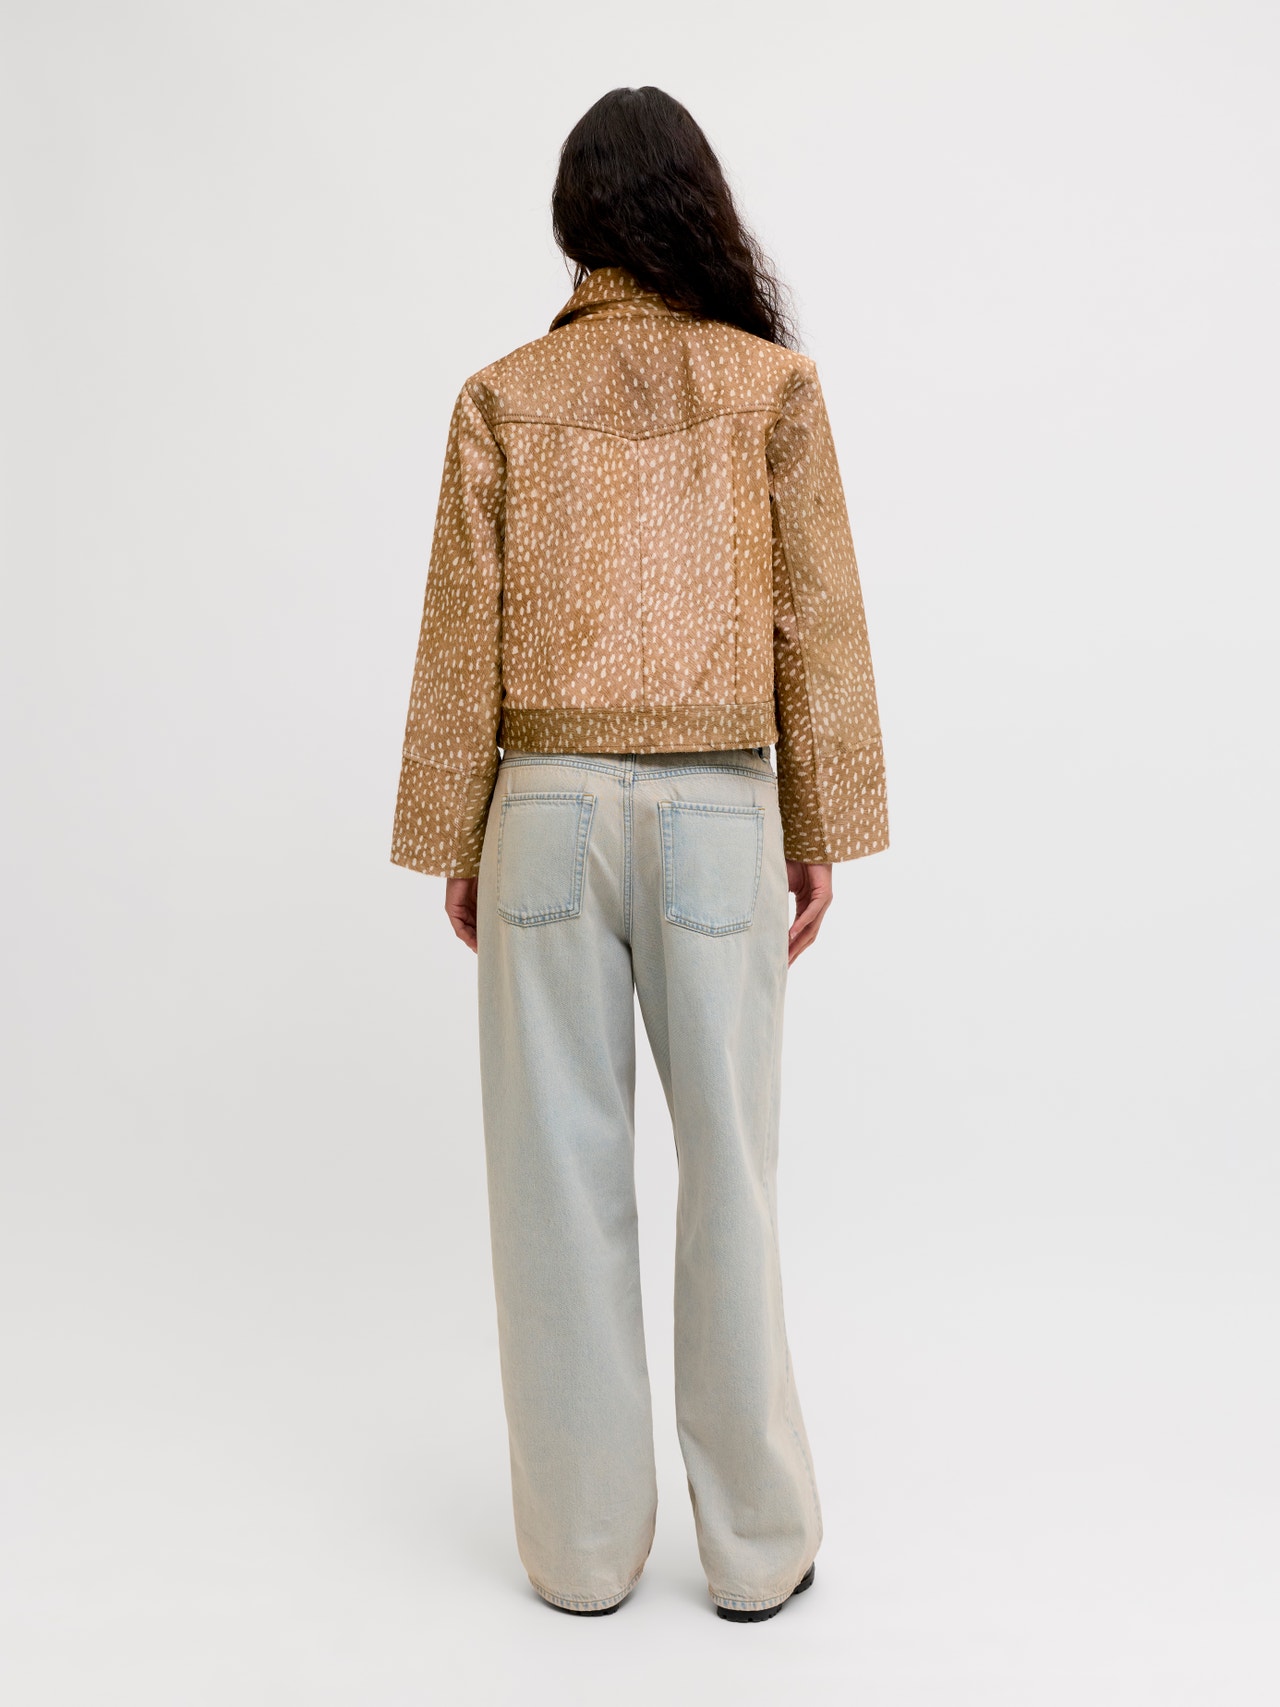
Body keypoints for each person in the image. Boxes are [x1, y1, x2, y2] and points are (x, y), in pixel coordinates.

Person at [390, 85, 889, 1622]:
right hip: (721, 811)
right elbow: (817, 622)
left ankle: (581, 1555)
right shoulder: (771, 385)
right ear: (698, 209)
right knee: (732, 1175)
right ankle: (757, 1551)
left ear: (572, 224)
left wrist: (458, 835)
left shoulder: (499, 397)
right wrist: (819, 829)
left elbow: (462, 634)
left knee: (554, 1186)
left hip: (540, 807)